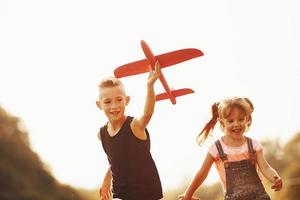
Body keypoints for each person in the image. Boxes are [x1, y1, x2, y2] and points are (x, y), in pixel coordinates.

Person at [179, 97, 283, 200]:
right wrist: (188, 195)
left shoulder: (254, 145)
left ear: (247, 119)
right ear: (222, 122)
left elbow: (265, 167)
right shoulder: (216, 149)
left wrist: (275, 178)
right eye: (230, 121)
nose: (236, 124)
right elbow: (202, 173)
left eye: (241, 119)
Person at [96, 62, 163, 200]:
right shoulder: (102, 134)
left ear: (126, 100)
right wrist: (107, 180)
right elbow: (116, 161)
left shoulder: (135, 126)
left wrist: (150, 86)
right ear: (99, 104)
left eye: (119, 100)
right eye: (108, 102)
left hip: (148, 194)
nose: (114, 106)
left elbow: (146, 114)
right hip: (121, 194)